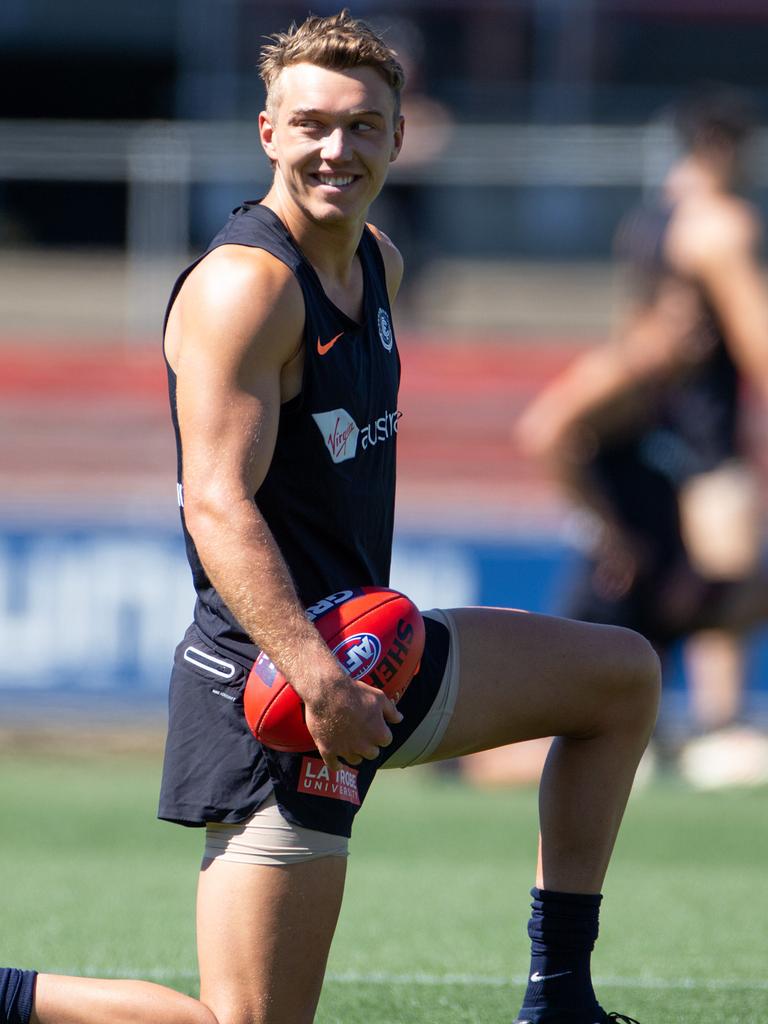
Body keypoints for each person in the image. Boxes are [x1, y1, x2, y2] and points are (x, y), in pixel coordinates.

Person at [1, 11, 659, 1024]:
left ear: (402, 137)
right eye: (310, 124)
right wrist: (317, 680)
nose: (334, 149)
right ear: (268, 132)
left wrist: (349, 674)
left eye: (361, 127)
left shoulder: (379, 267)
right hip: (275, 685)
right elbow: (216, 503)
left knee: (619, 677)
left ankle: (561, 998)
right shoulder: (246, 289)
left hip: (369, 653)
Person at [515, 84, 768, 785]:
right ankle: (718, 726)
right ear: (722, 147)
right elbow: (756, 342)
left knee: (711, 590)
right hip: (701, 441)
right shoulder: (718, 224)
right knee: (730, 581)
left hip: (657, 442)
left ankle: (698, 731)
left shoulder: (648, 221)